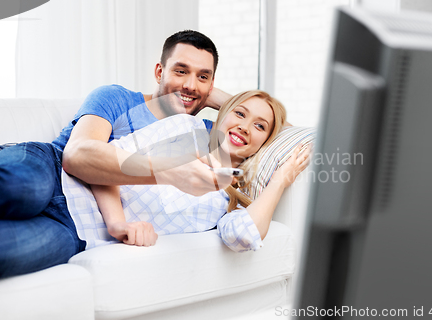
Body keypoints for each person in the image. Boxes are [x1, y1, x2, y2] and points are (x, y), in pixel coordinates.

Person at [0, 30, 234, 281]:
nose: (190, 85)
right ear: (160, 72)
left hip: (77, 226)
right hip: (51, 168)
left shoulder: (206, 136)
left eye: (203, 76)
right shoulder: (117, 98)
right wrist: (170, 172)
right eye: (181, 71)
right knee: (21, 190)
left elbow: (267, 124)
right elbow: (78, 155)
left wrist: (221, 99)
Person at [62, 90, 311, 251]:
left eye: (259, 126)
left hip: (79, 238)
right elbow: (109, 160)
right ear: (223, 114)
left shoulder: (232, 195)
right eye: (239, 113)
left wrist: (280, 180)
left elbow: (242, 236)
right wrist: (119, 224)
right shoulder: (188, 132)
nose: (245, 127)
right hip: (67, 190)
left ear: (265, 141)